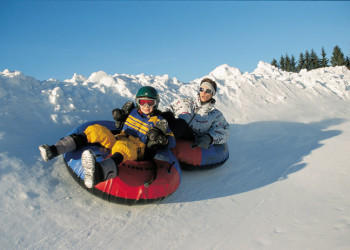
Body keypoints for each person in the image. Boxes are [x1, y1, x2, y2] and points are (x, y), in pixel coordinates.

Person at [39, 86, 175, 189]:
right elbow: (119, 122)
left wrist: (160, 138)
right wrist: (120, 116)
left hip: (137, 148)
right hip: (119, 138)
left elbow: (172, 142)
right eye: (143, 102)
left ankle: (99, 172)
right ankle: (54, 150)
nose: (146, 106)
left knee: (123, 147)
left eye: (150, 103)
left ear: (156, 103)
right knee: (96, 130)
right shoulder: (132, 111)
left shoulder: (159, 121)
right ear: (137, 102)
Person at [163, 78, 229, 149]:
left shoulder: (215, 114)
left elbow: (224, 130)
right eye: (202, 89)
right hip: (175, 133)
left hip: (192, 140)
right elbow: (167, 109)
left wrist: (208, 138)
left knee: (181, 123)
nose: (204, 92)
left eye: (208, 91)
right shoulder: (185, 102)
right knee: (174, 120)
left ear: (212, 94)